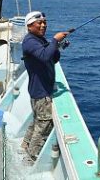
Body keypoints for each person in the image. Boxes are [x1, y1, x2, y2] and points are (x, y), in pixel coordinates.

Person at [20, 11, 69, 165]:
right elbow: (44, 56)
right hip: (41, 92)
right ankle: (30, 158)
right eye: (39, 23)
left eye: (44, 22)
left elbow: (52, 59)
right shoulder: (29, 41)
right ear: (29, 26)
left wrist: (57, 47)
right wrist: (55, 40)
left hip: (39, 89)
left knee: (37, 121)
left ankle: (25, 145)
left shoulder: (39, 40)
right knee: (43, 126)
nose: (43, 25)